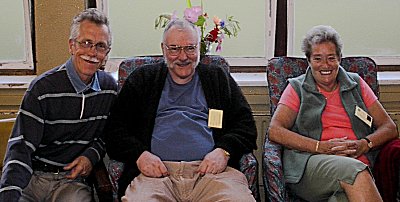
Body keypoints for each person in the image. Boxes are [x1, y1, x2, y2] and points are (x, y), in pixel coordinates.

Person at [104, 18, 257, 201]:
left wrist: (224, 151)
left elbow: (246, 126)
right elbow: (114, 130)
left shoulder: (217, 78)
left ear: (198, 48)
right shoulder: (142, 80)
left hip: (211, 175)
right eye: (174, 48)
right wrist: (139, 155)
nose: (183, 57)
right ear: (163, 49)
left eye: (190, 48)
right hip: (156, 176)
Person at [268, 25, 400, 202]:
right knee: (356, 172)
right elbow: (275, 131)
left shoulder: (356, 83)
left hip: (358, 161)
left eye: (331, 58)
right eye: (317, 58)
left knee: (344, 197)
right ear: (308, 60)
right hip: (312, 164)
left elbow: (389, 127)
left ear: (339, 58)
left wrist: (365, 144)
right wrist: (320, 147)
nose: (325, 65)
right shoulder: (297, 88)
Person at [0, 8, 117, 201]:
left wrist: (91, 155)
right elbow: (21, 148)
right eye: (85, 43)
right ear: (71, 45)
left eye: (100, 46)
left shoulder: (109, 89)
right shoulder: (42, 89)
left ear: (107, 53)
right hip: (32, 178)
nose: (92, 52)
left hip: (71, 181)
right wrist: (9, 194)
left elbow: (108, 135)